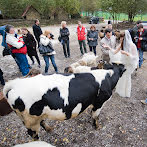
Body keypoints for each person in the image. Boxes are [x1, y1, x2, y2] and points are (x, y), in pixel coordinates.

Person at [107, 30, 139, 97]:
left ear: (126, 37)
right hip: (124, 63)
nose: (121, 39)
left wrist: (126, 53)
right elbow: (114, 52)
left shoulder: (132, 45)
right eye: (120, 38)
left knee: (126, 76)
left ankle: (126, 92)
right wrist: (109, 48)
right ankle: (120, 90)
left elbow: (135, 57)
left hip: (130, 63)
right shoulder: (121, 44)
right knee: (122, 76)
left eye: (122, 38)